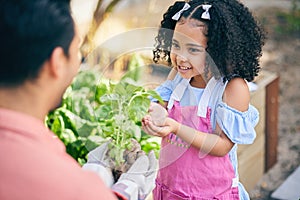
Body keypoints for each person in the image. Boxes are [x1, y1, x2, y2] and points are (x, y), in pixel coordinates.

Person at [0, 0, 156, 200]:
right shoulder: (72, 188)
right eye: (77, 53)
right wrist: (126, 191)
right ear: (56, 62)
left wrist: (95, 172)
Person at [142, 0, 265, 199]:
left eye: (193, 50)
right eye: (176, 45)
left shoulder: (232, 88)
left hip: (211, 193)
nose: (181, 58)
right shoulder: (178, 78)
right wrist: (155, 113)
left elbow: (222, 146)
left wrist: (175, 127)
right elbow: (163, 105)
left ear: (217, 50)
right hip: (171, 188)